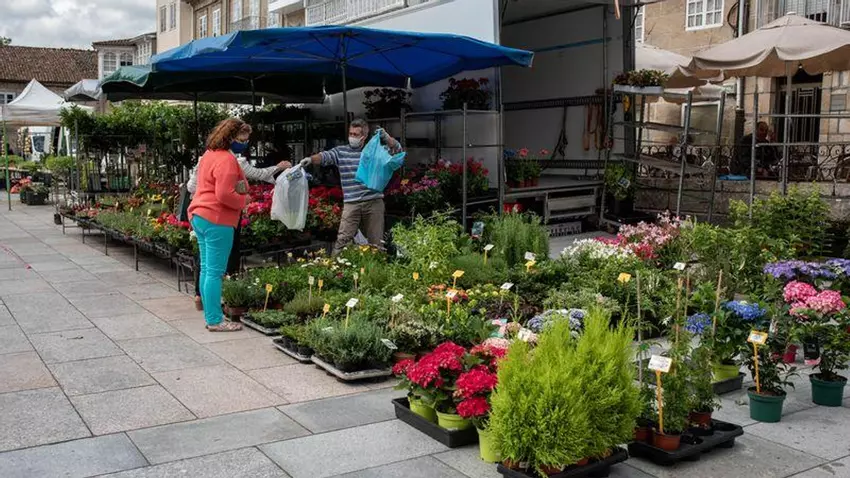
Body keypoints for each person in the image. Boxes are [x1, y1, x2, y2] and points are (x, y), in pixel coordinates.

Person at [187, 135, 291, 311]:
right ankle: (215, 317)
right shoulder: (229, 160)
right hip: (218, 216)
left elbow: (192, 186)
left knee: (206, 267)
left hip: (199, 213)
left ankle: (203, 302)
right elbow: (225, 193)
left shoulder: (207, 156)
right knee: (216, 270)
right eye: (242, 139)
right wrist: (244, 199)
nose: (244, 143)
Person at [300, 118, 402, 254]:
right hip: (351, 202)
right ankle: (336, 265)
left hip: (373, 202)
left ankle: (376, 266)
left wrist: (388, 139)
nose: (352, 137)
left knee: (376, 242)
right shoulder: (341, 152)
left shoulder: (374, 152)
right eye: (350, 134)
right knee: (343, 239)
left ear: (363, 137)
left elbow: (397, 151)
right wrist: (311, 159)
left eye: (355, 134)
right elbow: (325, 156)